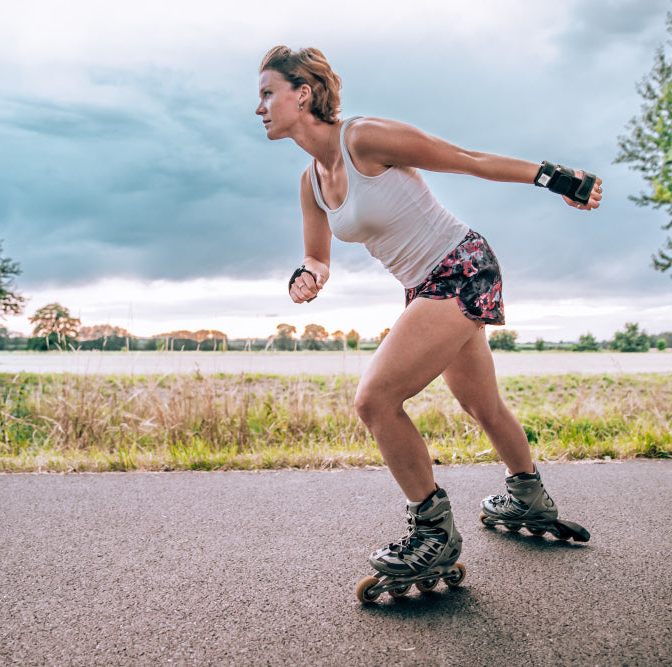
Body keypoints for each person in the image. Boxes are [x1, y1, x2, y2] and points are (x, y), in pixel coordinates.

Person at [256, 46, 602, 580]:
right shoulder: (311, 183)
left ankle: (433, 532)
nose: (259, 107)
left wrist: (556, 178)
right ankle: (530, 497)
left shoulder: (364, 138)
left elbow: (466, 159)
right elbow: (318, 257)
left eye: (267, 94)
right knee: (481, 404)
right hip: (424, 287)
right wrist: (308, 278)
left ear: (302, 94)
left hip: (461, 266)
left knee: (375, 399)